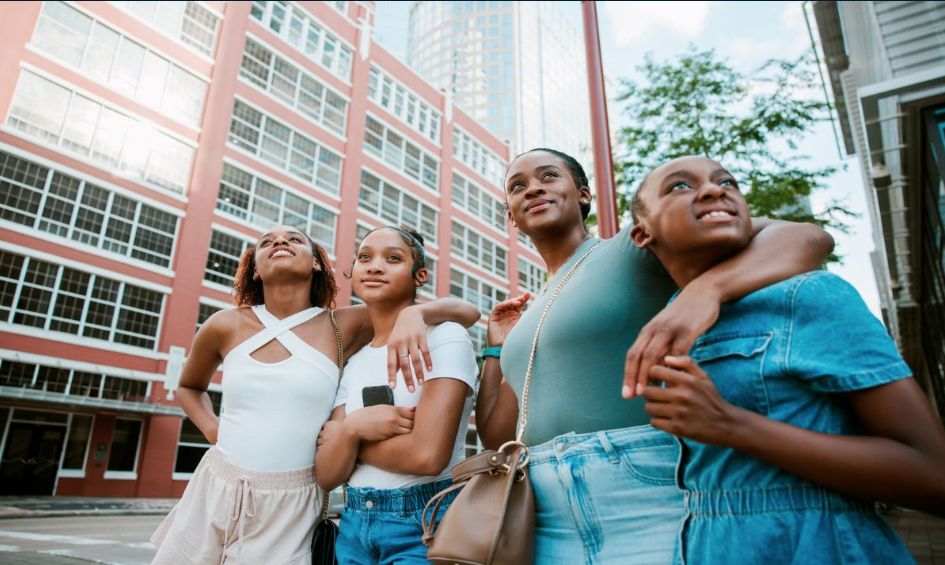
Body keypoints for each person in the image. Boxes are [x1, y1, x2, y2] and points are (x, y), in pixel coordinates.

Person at [475, 148, 835, 564]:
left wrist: (708, 290)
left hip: (647, 492)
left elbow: (807, 237)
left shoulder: (630, 250)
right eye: (517, 186)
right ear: (512, 217)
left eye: (548, 176)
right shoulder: (531, 309)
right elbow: (497, 436)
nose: (533, 187)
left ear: (583, 195)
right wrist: (497, 348)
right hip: (546, 511)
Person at [629, 155, 945, 563]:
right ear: (641, 234)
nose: (714, 189)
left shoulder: (811, 294)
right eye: (679, 186)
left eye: (727, 182)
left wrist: (733, 425)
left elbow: (934, 476)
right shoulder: (666, 319)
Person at [150, 225, 479, 565]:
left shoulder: (343, 325)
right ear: (254, 268)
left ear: (318, 263)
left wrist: (417, 311)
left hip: (296, 494)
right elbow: (190, 387)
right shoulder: (223, 324)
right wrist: (213, 429)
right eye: (267, 242)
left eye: (294, 239)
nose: (279, 242)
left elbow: (464, 312)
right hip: (219, 481)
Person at [314, 226, 479, 565]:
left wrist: (346, 438)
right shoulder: (354, 361)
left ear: (419, 276)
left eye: (393, 258)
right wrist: (352, 429)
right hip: (353, 525)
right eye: (364, 257)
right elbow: (327, 475)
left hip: (426, 522)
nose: (375, 266)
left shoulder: (445, 336)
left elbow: (427, 457)